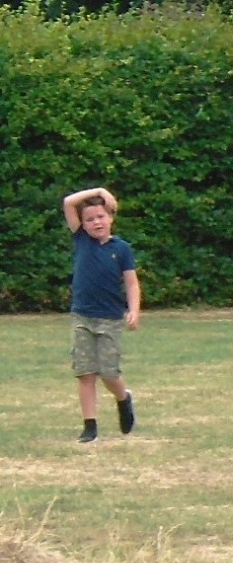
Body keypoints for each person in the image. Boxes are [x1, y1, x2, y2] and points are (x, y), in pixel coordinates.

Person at [63, 187, 140, 444]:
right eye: (89, 219)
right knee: (85, 372)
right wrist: (98, 190)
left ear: (111, 217)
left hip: (110, 319)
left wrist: (134, 310)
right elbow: (68, 202)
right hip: (82, 316)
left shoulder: (122, 249)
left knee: (109, 373)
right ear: (82, 224)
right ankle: (90, 425)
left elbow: (131, 283)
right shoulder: (82, 240)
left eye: (100, 216)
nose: (96, 222)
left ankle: (123, 398)